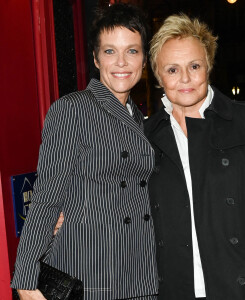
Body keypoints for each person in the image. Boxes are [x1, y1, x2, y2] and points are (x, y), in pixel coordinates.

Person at [11, 4, 158, 300]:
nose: (121, 62)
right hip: (92, 272)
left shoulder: (142, 121)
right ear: (95, 58)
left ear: (144, 60)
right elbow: (47, 196)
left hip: (142, 272)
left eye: (132, 51)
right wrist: (25, 279)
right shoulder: (73, 109)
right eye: (109, 51)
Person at [145, 14, 245, 300]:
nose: (185, 78)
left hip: (241, 290)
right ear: (158, 75)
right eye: (173, 69)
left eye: (194, 66)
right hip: (172, 291)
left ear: (209, 66)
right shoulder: (144, 136)